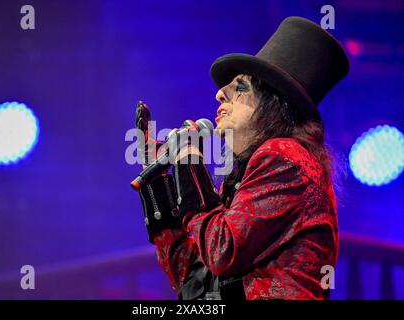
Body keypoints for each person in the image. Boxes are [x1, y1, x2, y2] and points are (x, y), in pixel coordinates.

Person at [135, 16, 349, 300]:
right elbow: (193, 282)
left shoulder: (287, 157)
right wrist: (158, 184)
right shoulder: (245, 179)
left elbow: (221, 250)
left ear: (273, 103)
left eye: (240, 86)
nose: (219, 94)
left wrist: (189, 159)